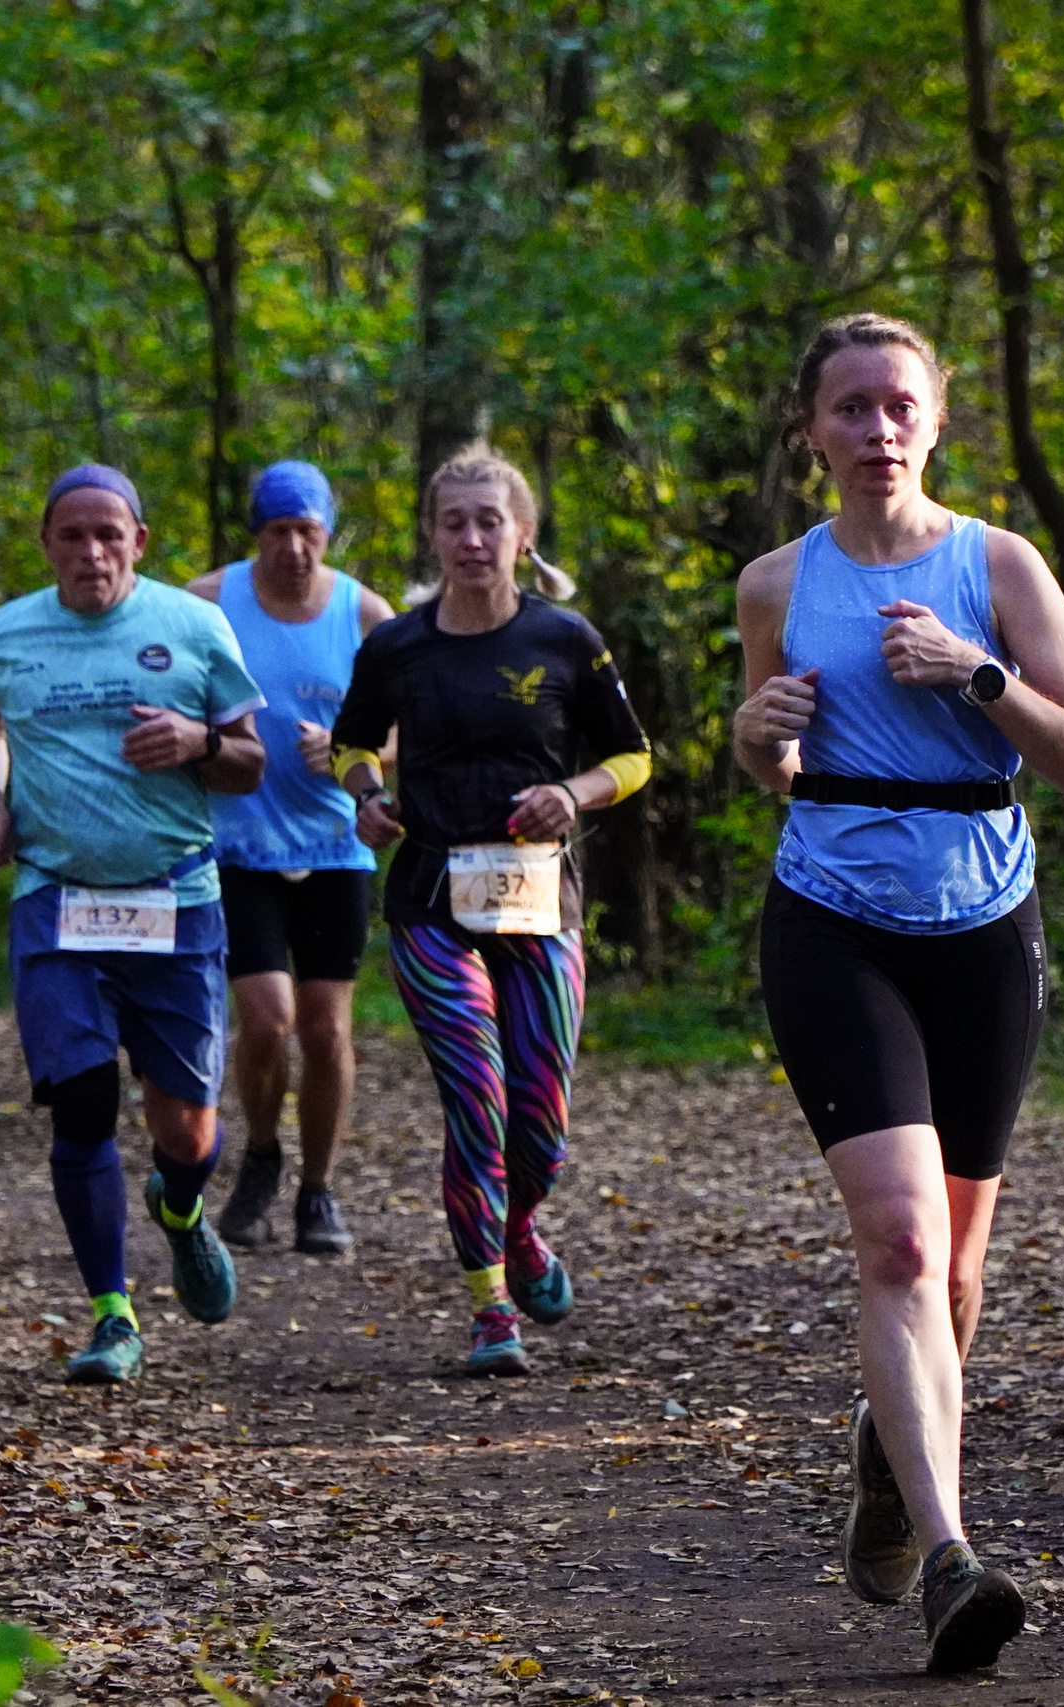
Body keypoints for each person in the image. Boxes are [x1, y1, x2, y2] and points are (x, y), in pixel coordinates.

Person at [731, 314, 1064, 1674]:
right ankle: (954, 1555)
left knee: (954, 1271)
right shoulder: (776, 580)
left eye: (900, 405)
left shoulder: (997, 564)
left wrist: (981, 675)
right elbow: (766, 752)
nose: (877, 429)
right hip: (833, 922)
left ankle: (887, 1457)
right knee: (896, 1242)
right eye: (850, 408)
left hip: (982, 923)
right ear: (813, 432)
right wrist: (756, 741)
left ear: (935, 423)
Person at [330, 441, 652, 1377]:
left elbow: (634, 756)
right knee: (476, 1097)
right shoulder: (397, 645)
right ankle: (489, 1309)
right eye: (454, 522)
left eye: (489, 521)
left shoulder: (566, 639)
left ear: (522, 535)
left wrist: (576, 794)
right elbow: (354, 742)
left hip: (540, 898)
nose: (472, 539)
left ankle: (522, 1228)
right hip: (431, 897)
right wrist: (366, 794)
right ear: (432, 535)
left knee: (540, 1118)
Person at [0, 463, 269, 1386]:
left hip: (175, 897)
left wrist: (198, 741)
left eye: (108, 534)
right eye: (71, 536)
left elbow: (251, 761)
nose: (90, 551)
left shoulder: (195, 626)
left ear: (140, 540)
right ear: (46, 544)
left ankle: (180, 1211)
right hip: (56, 895)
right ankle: (112, 1314)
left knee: (187, 1130)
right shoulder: (5, 632)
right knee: (83, 1102)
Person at [184, 462, 396, 1255]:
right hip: (237, 842)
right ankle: (262, 1155)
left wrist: (350, 750)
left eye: (309, 531)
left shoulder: (364, 612)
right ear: (257, 534)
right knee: (267, 1021)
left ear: (328, 533)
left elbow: (402, 722)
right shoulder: (208, 600)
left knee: (325, 1026)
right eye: (279, 531)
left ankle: (318, 1188)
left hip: (336, 846)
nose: (295, 548)